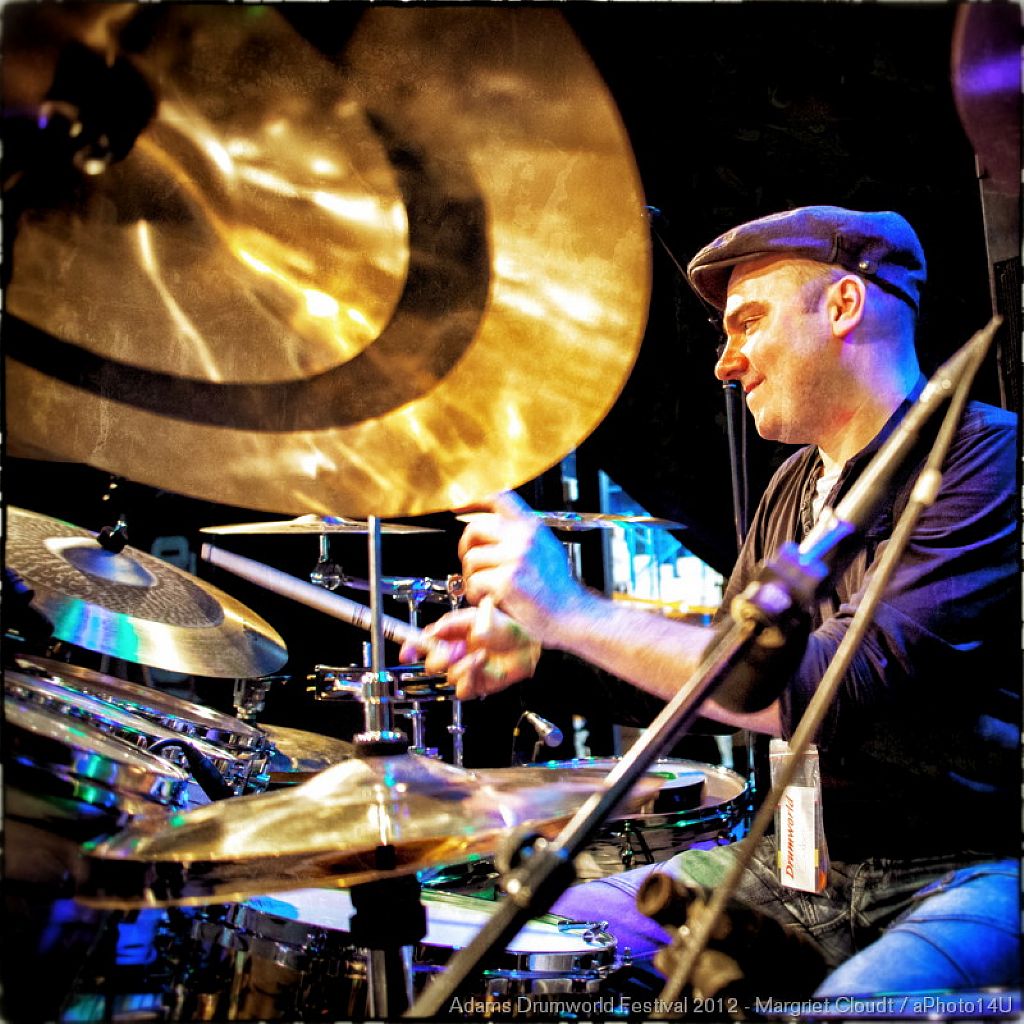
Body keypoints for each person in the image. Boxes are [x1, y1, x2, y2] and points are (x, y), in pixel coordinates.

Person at [400, 206, 1020, 998]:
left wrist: (574, 611)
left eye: (748, 323)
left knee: (852, 1013)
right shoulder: (793, 487)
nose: (726, 364)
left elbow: (835, 687)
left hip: (966, 871)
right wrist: (544, 653)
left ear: (843, 306)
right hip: (798, 864)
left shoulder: (986, 459)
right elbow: (718, 689)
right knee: (531, 953)